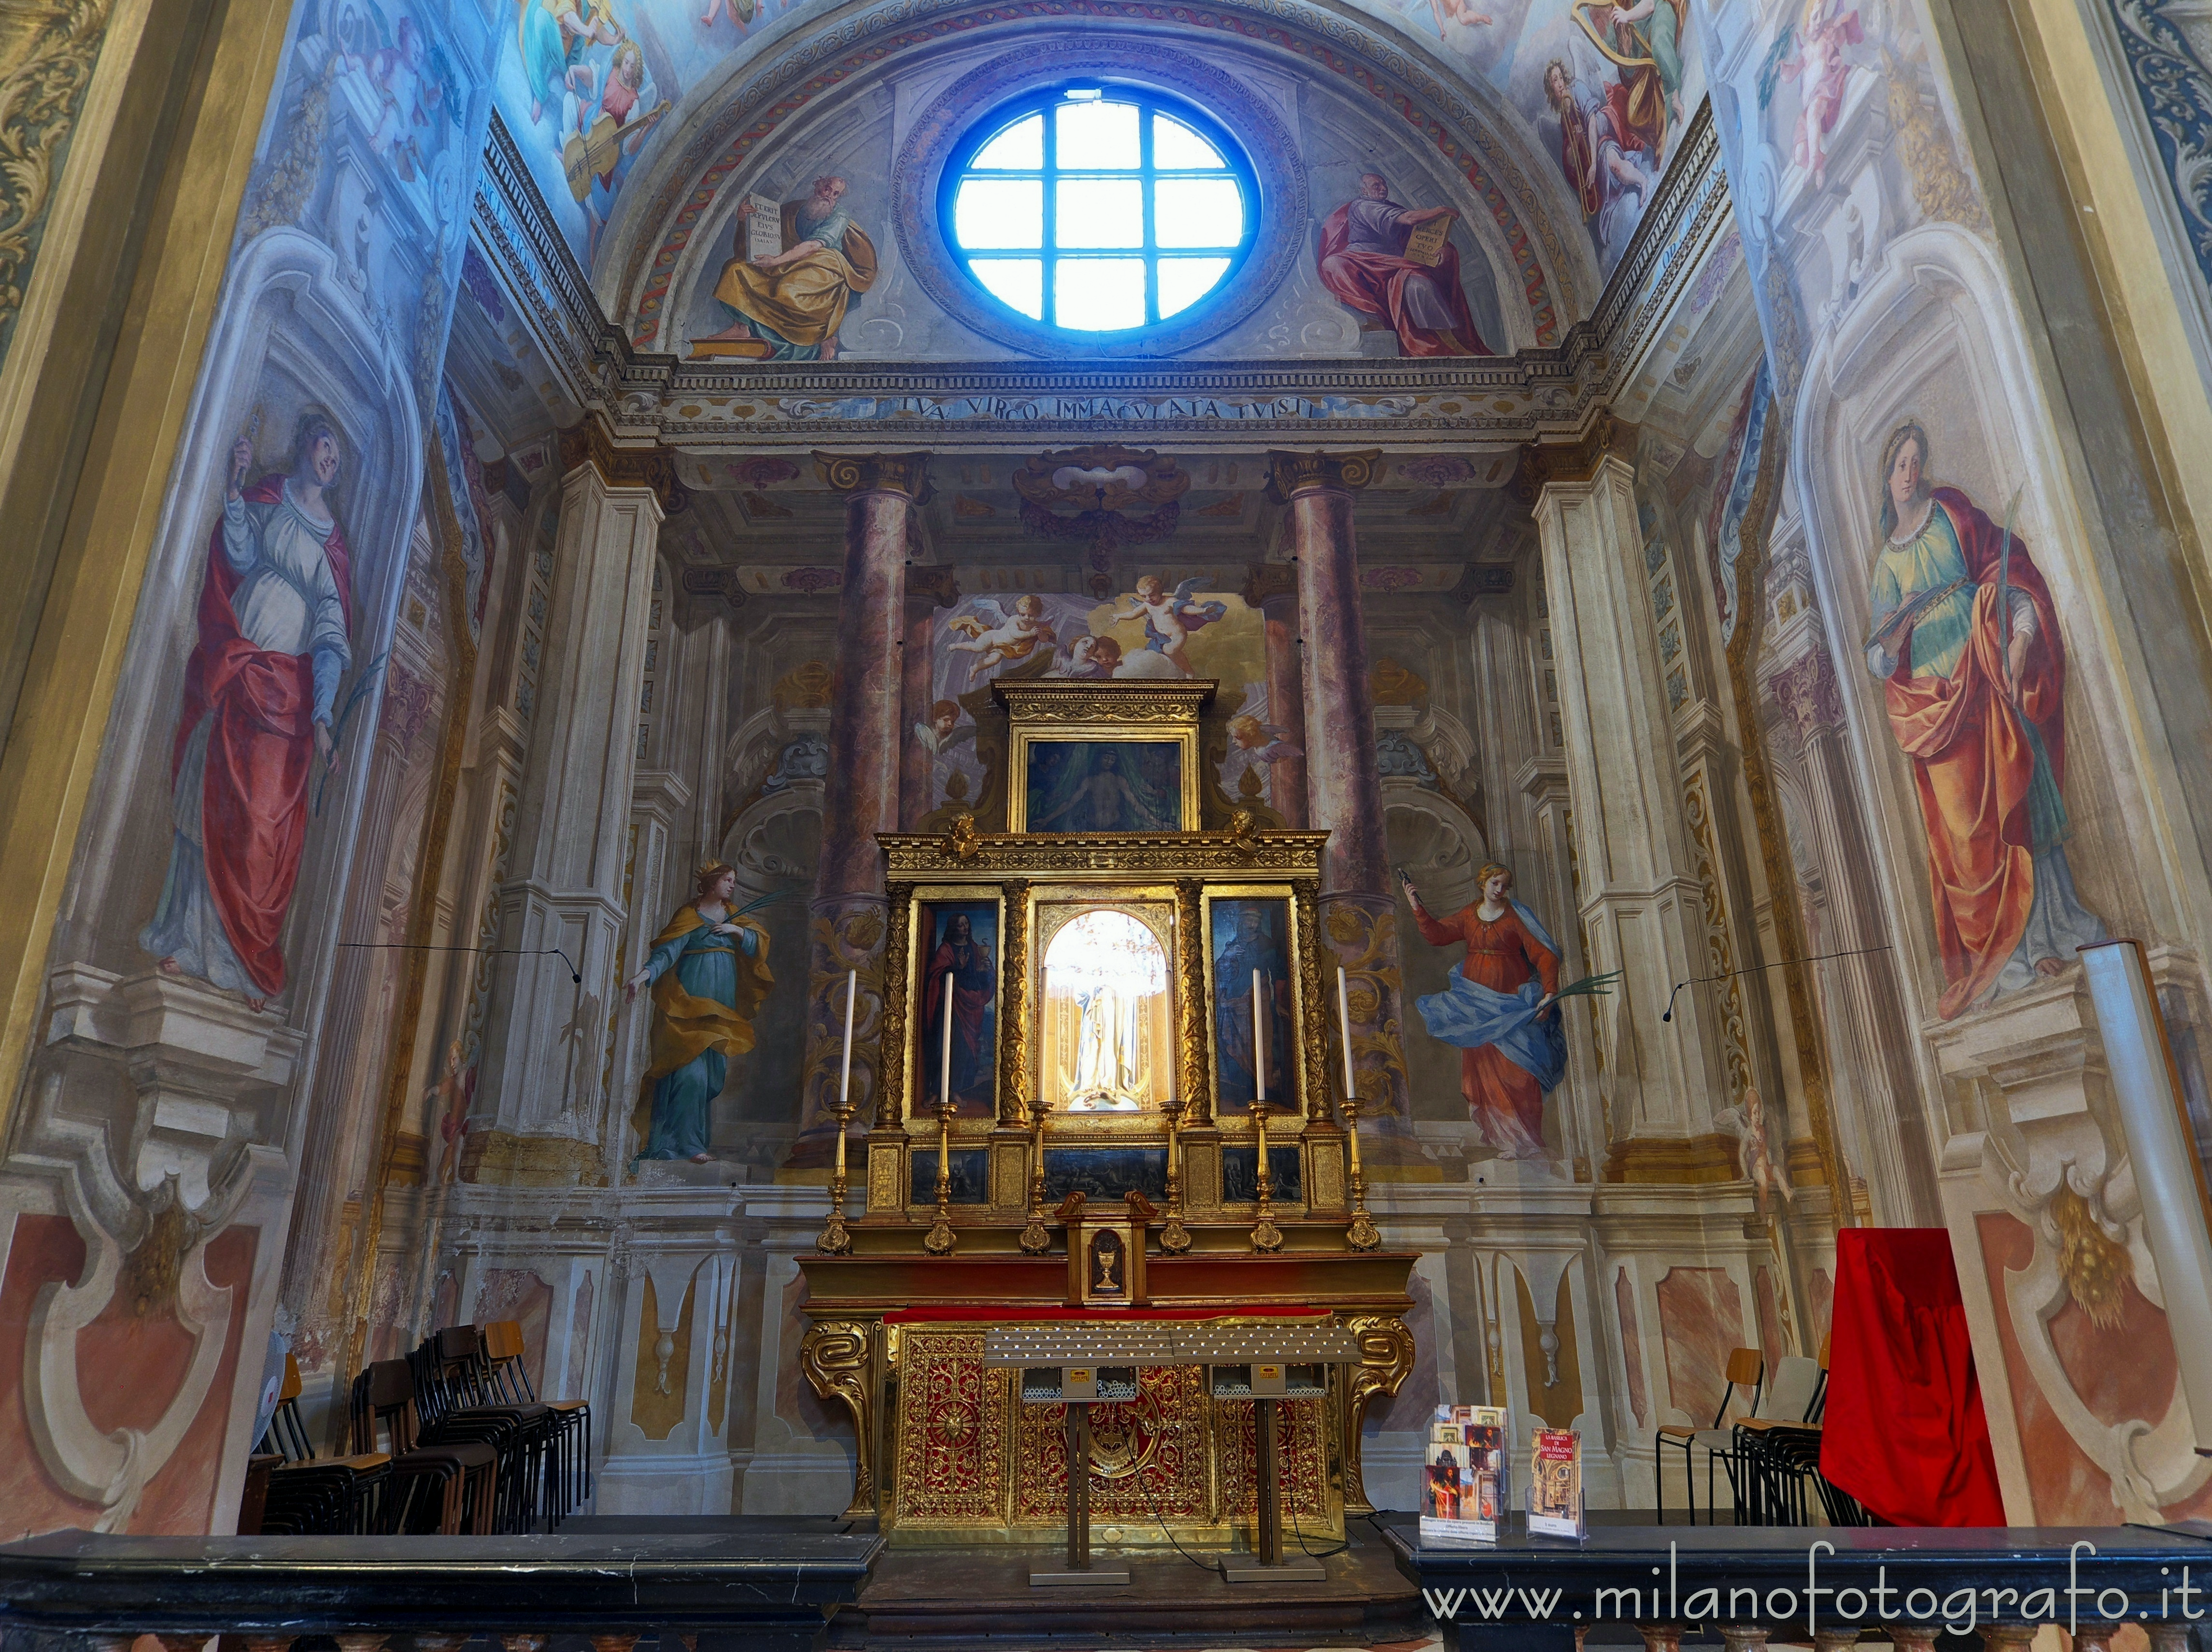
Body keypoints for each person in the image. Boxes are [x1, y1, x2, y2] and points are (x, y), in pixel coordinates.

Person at [1862, 422, 2103, 1017]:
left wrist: (2019, 638)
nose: (1910, 472)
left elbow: (2007, 574)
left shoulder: (1952, 514)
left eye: (1917, 460)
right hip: (1935, 707)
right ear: (1887, 477)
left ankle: (2048, 934)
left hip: (1988, 675)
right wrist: (1891, 640)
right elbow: (1876, 658)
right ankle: (2008, 959)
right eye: (1900, 463)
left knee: (2019, 798)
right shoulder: (1884, 566)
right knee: (1969, 837)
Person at [143, 417, 354, 1011]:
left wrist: (322, 715)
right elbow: (236, 554)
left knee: (259, 828)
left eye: (338, 454)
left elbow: (332, 639)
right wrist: (235, 492)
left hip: (281, 697)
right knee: (206, 798)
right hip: (237, 668)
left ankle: (240, 963)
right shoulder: (270, 497)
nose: (331, 459)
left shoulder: (332, 546)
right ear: (304, 446)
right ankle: (187, 940)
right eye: (325, 446)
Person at [1402, 863, 1563, 1161]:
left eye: (1504, 885)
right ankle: (1506, 1141)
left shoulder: (1516, 916)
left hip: (1510, 1002)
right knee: (1485, 1068)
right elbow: (1438, 935)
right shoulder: (1469, 914)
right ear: (1483, 884)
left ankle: (1527, 1141)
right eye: (1495, 884)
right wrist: (1417, 907)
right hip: (1475, 1004)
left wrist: (1550, 991)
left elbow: (1544, 954)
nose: (1499, 890)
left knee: (1520, 1070)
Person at [625, 862, 775, 1162]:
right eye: (728, 880)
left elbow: (759, 942)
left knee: (710, 1078)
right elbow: (667, 952)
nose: (732, 885)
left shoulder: (735, 916)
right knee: (688, 1075)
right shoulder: (689, 916)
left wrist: (736, 931)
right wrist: (643, 976)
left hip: (721, 1012)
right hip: (688, 1009)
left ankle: (692, 1141)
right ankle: (683, 1145)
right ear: (712, 883)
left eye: (734, 880)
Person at [696, 174, 878, 360]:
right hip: (787, 262)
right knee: (734, 270)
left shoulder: (839, 215)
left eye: (836, 194)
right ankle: (741, 327)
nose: (829, 196)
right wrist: (744, 221)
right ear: (818, 184)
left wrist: (775, 261)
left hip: (826, 265)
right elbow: (762, 238)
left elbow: (814, 246)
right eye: (827, 189)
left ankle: (824, 336)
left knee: (787, 291)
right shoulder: (792, 210)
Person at [1317, 173, 1489, 357]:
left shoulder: (1391, 209)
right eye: (1377, 186)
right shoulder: (1363, 206)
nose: (1383, 189)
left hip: (1397, 265)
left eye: (1384, 185)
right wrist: (1440, 211)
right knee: (1333, 264)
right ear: (1364, 191)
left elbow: (1420, 241)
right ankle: (1373, 318)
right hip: (1362, 261)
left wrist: (1441, 251)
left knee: (1420, 285)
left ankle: (1449, 341)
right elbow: (1408, 219)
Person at [1544, 59, 1650, 244]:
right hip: (1598, 147)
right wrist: (1576, 142)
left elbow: (1592, 122)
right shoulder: (1564, 117)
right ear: (1551, 88)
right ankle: (1639, 180)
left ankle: (1643, 182)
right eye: (1555, 80)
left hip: (1604, 129)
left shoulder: (1576, 88)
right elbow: (1570, 159)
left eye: (1561, 77)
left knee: (1614, 165)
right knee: (1615, 168)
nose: (1560, 83)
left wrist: (1593, 165)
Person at [1212, 904, 1292, 1109]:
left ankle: (1265, 1090)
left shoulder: (1267, 946)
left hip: (1257, 1002)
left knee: (1261, 1044)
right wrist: (1228, 957)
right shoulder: (1234, 944)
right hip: (1231, 1006)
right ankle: (1241, 1088)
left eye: (1255, 921)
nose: (1251, 925)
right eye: (1247, 921)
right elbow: (1218, 973)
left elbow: (1280, 975)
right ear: (1240, 923)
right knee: (1233, 1044)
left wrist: (1281, 1002)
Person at [920, 911, 996, 1106]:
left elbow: (979, 981)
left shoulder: (974, 948)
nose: (965, 928)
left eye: (966, 924)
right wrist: (958, 968)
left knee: (962, 1050)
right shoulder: (945, 950)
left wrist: (985, 972)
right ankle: (937, 1091)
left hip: (968, 1009)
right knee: (941, 1047)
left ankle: (955, 1091)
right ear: (954, 927)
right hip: (948, 1007)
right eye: (961, 925)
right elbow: (937, 977)